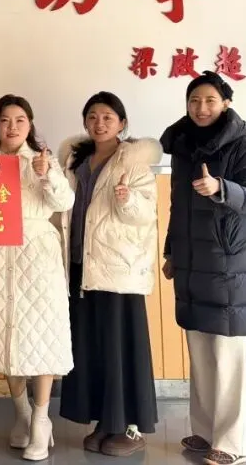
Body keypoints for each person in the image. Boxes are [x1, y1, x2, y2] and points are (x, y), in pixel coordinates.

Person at [161, 71, 246, 465]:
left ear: (225, 103)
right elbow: (178, 206)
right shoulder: (183, 147)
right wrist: (172, 251)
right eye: (194, 101)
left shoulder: (240, 146)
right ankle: (206, 432)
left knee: (231, 353)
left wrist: (221, 188)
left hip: (229, 263)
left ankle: (235, 443)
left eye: (209, 100)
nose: (201, 108)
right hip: (192, 262)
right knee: (202, 349)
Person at [57, 92, 161, 456]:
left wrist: (127, 199)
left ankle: (130, 428)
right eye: (92, 116)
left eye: (107, 117)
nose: (99, 123)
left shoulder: (133, 162)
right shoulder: (75, 161)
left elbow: (146, 214)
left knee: (121, 348)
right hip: (80, 266)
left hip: (118, 269)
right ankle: (104, 422)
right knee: (93, 347)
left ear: (122, 123)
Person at [0, 94, 74, 462]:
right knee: (5, 335)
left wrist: (47, 175)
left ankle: (42, 420)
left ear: (30, 125)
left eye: (19, 120)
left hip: (37, 255)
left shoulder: (43, 160)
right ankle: (22, 413)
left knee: (42, 335)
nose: (11, 127)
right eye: (4, 120)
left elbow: (64, 203)